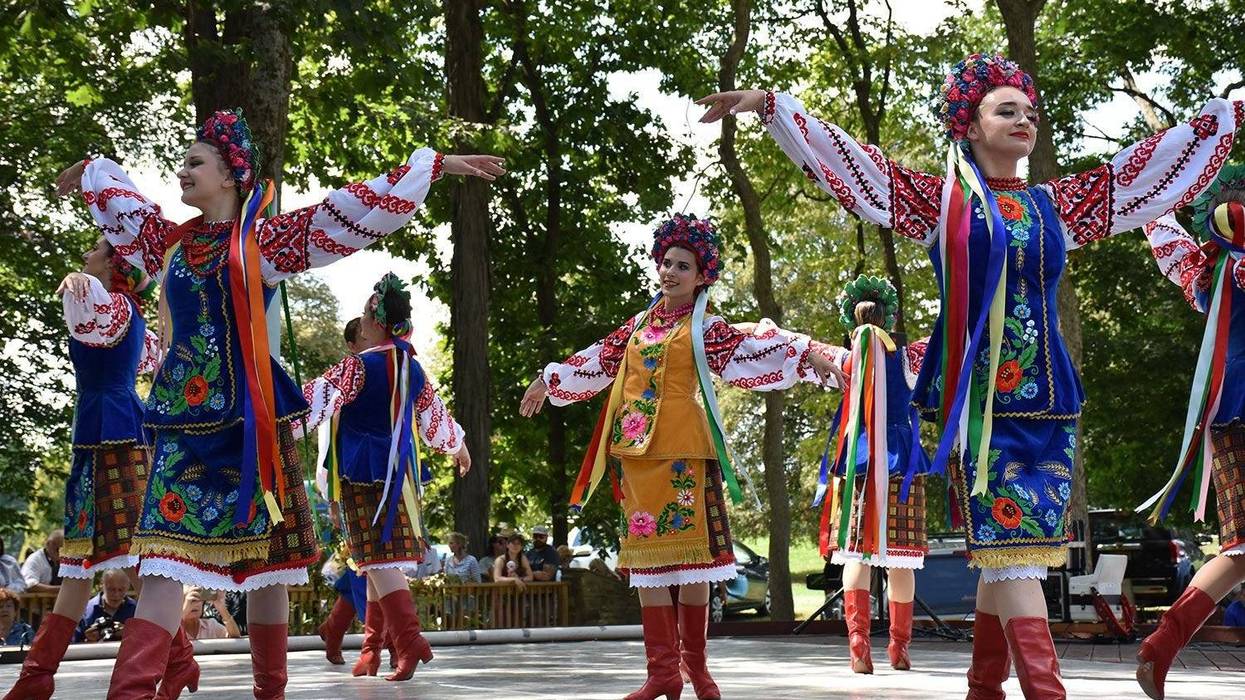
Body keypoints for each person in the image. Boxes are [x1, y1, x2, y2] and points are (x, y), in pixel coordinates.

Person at [698, 53, 1242, 699]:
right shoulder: (941, 203)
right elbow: (856, 168)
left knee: (1007, 555)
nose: (1023, 121)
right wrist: (772, 106)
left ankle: (983, 687)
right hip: (979, 408)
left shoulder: (1056, 205)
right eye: (1005, 110)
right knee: (1011, 554)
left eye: (1028, 112)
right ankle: (1047, 691)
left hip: (1051, 404)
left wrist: (1227, 115)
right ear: (969, 123)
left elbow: (1138, 173)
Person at [52, 106, 503, 699]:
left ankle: (271, 692)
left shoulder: (261, 243)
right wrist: (90, 172)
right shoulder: (168, 243)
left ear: (231, 176)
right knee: (161, 561)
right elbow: (125, 206)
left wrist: (432, 168)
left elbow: (343, 214)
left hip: (251, 428)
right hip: (182, 425)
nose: (181, 171)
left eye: (195, 163)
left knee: (267, 567)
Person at [520, 213, 845, 700]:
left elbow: (754, 344)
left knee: (695, 565)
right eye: (667, 262)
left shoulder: (705, 328)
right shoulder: (636, 328)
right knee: (648, 567)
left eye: (683, 266)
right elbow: (596, 360)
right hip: (635, 456)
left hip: (685, 452)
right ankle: (662, 674)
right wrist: (549, 380)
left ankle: (697, 668)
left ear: (701, 276)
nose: (670, 272)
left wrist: (806, 356)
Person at [6, 225, 161, 699]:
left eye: (95, 249)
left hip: (112, 435)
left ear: (116, 267)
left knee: (137, 563)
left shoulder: (111, 304)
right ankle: (37, 677)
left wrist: (83, 280)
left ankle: (173, 662)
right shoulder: (128, 317)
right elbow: (153, 356)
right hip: (100, 436)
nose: (87, 253)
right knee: (78, 564)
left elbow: (96, 301)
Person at [297, 272, 471, 682]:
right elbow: (435, 417)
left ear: (376, 322)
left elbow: (313, 401)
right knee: (375, 561)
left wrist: (270, 414)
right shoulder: (412, 366)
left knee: (378, 559)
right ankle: (373, 650)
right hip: (398, 476)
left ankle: (409, 642)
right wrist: (458, 447)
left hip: (361, 470)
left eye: (364, 315)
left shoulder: (358, 367)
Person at [1135, 166, 1245, 699]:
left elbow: (1161, 227)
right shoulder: (1221, 271)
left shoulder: (1207, 271)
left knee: (1242, 548)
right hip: (1234, 416)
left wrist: (1158, 188)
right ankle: (1162, 644)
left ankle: (1162, 644)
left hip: (1226, 416)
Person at [814, 276, 934, 674]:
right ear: (891, 317)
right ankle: (899, 646)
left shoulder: (846, 359)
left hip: (859, 461)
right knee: (902, 561)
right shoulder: (910, 357)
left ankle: (858, 642)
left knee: (857, 553)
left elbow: (798, 356)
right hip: (903, 463)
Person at [74, 569, 137, 643]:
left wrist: (129, 634)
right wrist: (88, 640)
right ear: (102, 585)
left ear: (128, 586)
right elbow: (72, 645)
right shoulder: (85, 611)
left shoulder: (136, 610)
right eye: (111, 589)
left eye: (121, 590)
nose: (116, 595)